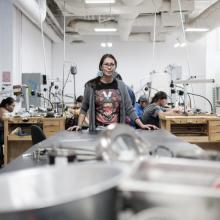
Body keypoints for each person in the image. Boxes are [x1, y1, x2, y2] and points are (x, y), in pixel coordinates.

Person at [68, 54, 157, 132]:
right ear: (101, 67)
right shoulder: (91, 85)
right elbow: (84, 108)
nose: (109, 67)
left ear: (115, 67)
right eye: (106, 64)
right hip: (97, 130)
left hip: (117, 130)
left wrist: (141, 125)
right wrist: (79, 126)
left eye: (112, 64)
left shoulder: (121, 85)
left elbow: (129, 108)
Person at [0, 97, 15, 167]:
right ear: (7, 105)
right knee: (13, 137)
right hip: (1, 134)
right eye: (12, 106)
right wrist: (10, 119)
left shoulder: (3, 109)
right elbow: (4, 118)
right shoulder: (3, 110)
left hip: (1, 131)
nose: (13, 108)